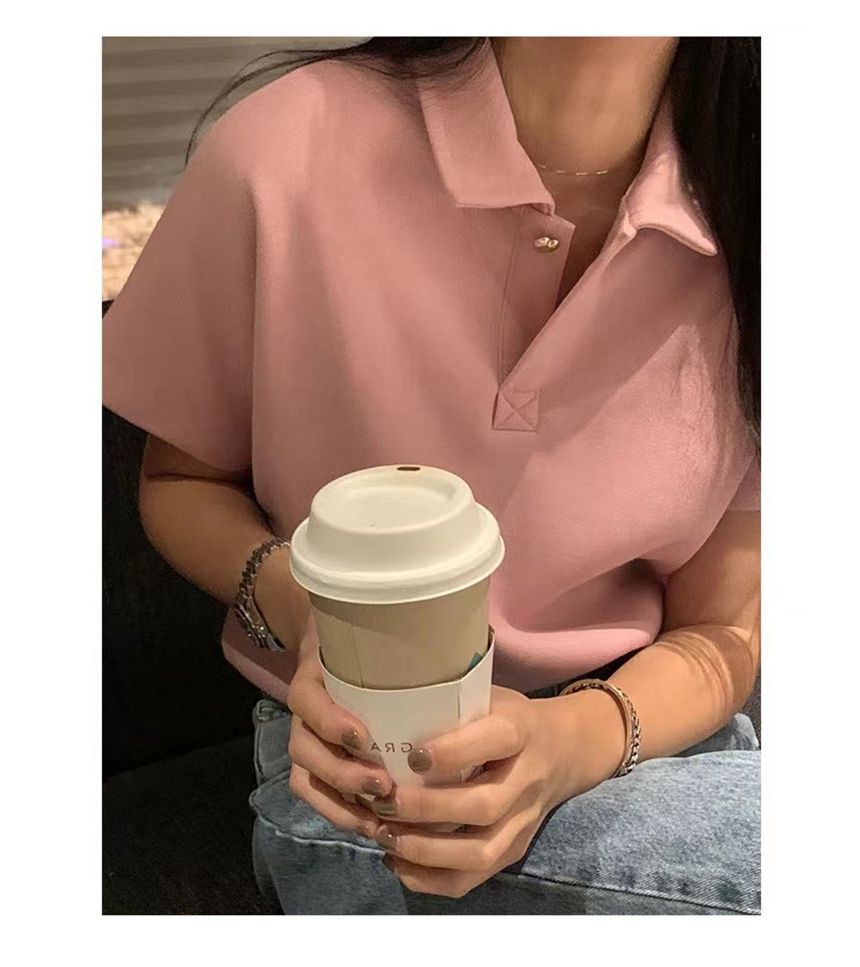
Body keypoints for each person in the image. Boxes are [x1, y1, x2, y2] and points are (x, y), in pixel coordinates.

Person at [102, 36, 761, 915]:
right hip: (368, 765)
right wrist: (309, 614)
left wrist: (572, 740)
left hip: (652, 735)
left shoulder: (764, 200)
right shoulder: (280, 152)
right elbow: (181, 482)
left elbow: (724, 626)